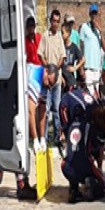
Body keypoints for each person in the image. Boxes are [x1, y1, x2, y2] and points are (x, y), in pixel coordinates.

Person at [15, 63, 59, 200]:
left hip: (23, 104)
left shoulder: (46, 83)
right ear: (46, 72)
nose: (49, 86)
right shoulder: (34, 78)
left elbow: (42, 111)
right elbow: (30, 112)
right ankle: (22, 185)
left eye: (51, 85)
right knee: (20, 145)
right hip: (13, 102)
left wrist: (43, 138)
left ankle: (22, 182)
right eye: (49, 82)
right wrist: (35, 139)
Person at [60, 87, 105, 203]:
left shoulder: (70, 126)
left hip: (66, 167)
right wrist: (99, 169)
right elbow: (99, 148)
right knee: (102, 186)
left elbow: (64, 126)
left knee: (73, 155)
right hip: (85, 165)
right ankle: (89, 182)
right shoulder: (91, 126)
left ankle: (74, 187)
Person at [38, 10, 66, 144]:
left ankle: (57, 137)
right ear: (50, 21)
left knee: (57, 108)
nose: (55, 24)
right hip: (47, 78)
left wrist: (55, 70)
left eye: (57, 21)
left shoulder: (60, 37)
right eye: (53, 21)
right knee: (45, 109)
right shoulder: (45, 36)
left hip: (57, 79)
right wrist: (48, 69)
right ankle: (44, 137)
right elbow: (40, 54)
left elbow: (62, 57)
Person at [79, 3, 105, 99]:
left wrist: (100, 31)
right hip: (88, 68)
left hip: (97, 69)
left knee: (97, 96)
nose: (94, 16)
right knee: (89, 95)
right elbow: (81, 47)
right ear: (89, 14)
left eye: (95, 14)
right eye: (92, 14)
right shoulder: (84, 27)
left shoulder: (98, 32)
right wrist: (81, 67)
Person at [61, 23, 85, 92]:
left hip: (70, 80)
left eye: (63, 33)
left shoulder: (74, 47)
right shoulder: (60, 46)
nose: (61, 35)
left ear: (68, 33)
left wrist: (75, 67)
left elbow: (83, 59)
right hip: (62, 79)